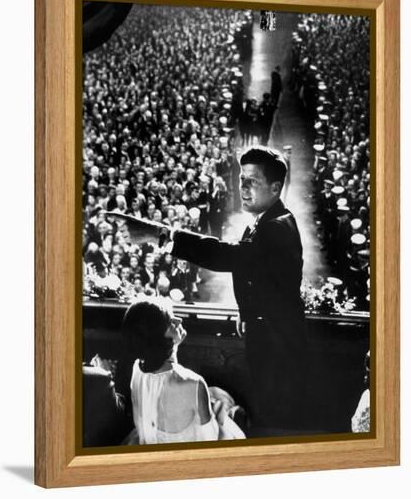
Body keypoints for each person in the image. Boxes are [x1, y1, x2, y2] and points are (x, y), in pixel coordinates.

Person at [112, 147, 307, 433]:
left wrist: (158, 234)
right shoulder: (262, 222)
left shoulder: (276, 227)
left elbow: (225, 257)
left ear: (276, 188)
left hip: (278, 344)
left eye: (252, 181)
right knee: (266, 401)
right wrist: (247, 312)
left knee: (274, 411)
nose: (243, 188)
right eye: (241, 180)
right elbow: (254, 272)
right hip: (267, 333)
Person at [122, 299, 245, 444]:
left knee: (215, 394)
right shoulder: (194, 382)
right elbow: (209, 439)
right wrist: (220, 413)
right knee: (227, 406)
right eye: (169, 322)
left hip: (150, 441)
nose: (178, 320)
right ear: (159, 339)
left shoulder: (137, 369)